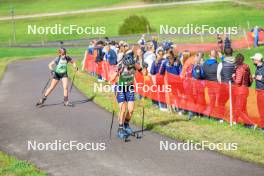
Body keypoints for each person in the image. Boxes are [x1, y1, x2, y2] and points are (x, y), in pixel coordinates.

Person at [110, 52, 144, 140]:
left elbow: (143, 72)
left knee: (131, 109)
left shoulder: (135, 64)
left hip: (130, 88)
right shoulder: (120, 66)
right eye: (128, 67)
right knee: (123, 109)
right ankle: (120, 129)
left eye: (131, 66)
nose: (130, 68)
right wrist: (115, 75)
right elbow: (111, 78)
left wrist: (145, 68)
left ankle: (126, 124)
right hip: (120, 88)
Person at [232, 53, 253, 126]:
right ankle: (245, 123)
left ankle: (250, 124)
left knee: (239, 109)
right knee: (243, 108)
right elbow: (250, 79)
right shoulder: (247, 66)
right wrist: (247, 85)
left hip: (240, 91)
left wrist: (233, 77)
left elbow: (238, 82)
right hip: (245, 90)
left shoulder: (239, 68)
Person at [217, 48, 236, 116]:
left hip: (224, 86)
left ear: (224, 54)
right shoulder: (236, 63)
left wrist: (221, 82)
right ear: (232, 53)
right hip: (234, 86)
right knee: (234, 102)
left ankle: (221, 116)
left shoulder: (221, 64)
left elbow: (218, 75)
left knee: (221, 102)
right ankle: (235, 117)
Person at [202, 50, 219, 117]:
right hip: (217, 85)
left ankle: (209, 113)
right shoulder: (218, 65)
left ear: (209, 56)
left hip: (209, 85)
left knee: (212, 100)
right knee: (218, 102)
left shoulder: (204, 64)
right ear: (216, 56)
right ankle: (214, 114)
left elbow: (203, 74)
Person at [150, 47, 167, 111]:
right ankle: (165, 107)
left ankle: (161, 107)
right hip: (165, 80)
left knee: (160, 93)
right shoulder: (165, 61)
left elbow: (152, 72)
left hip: (158, 80)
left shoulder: (155, 62)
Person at [251, 53, 264, 132]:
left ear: (258, 60)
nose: (252, 60)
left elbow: (261, 78)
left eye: (253, 59)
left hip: (262, 92)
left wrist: (259, 78)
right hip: (259, 92)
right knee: (260, 110)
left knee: (262, 109)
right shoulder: (258, 66)